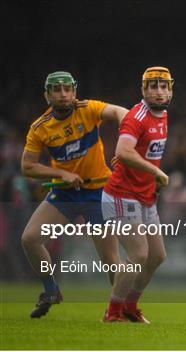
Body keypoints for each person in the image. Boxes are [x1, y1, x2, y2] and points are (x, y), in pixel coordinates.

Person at [21, 71, 128, 318]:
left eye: (67, 89)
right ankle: (51, 290)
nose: (63, 95)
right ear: (47, 95)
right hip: (65, 194)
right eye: (57, 90)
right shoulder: (40, 127)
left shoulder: (88, 109)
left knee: (112, 261)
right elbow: (27, 166)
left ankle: (118, 311)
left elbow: (119, 112)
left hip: (98, 193)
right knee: (30, 239)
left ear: (74, 91)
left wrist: (127, 132)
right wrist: (61, 175)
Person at [101, 66, 173, 323]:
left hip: (144, 196)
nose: (159, 91)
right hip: (122, 195)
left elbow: (140, 153)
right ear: (144, 90)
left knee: (157, 256)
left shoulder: (162, 115)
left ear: (170, 90)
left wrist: (151, 178)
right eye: (153, 86)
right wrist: (155, 171)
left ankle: (130, 305)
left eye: (163, 86)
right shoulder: (137, 116)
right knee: (139, 255)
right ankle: (113, 311)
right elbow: (123, 151)